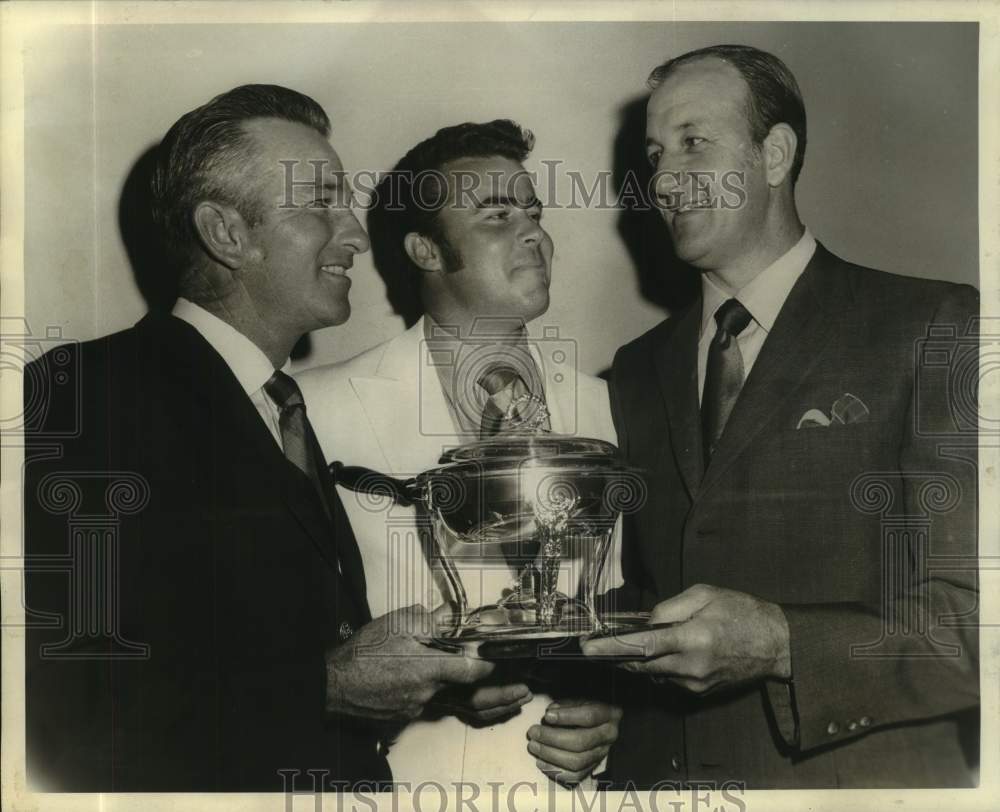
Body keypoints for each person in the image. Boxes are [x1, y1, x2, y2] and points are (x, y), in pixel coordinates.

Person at [22, 84, 494, 792]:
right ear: (226, 234)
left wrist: (432, 681)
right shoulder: (82, 393)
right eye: (319, 204)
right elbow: (69, 710)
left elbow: (260, 650)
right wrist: (329, 686)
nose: (356, 234)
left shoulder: (284, 407)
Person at [582, 45, 979, 788]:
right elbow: (648, 591)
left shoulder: (934, 327)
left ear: (776, 153)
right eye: (655, 155)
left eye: (694, 144)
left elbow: (978, 625)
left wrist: (781, 644)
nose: (664, 180)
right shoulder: (636, 369)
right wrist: (600, 699)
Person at [297, 120, 623, 788]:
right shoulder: (312, 409)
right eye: (497, 215)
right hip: (397, 783)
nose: (533, 232)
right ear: (425, 249)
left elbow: (630, 602)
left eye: (534, 212)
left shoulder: (615, 406)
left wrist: (621, 706)